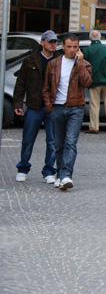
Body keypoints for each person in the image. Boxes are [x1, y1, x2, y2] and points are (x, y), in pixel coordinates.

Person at [42, 34, 92, 190]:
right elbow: (46, 88)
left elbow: (87, 82)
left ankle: (66, 175)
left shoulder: (84, 64)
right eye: (69, 46)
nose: (72, 50)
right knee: (59, 145)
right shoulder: (53, 64)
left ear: (78, 48)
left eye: (75, 47)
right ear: (63, 47)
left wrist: (80, 63)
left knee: (70, 143)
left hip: (76, 108)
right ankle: (60, 175)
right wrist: (49, 105)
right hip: (57, 108)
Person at [13, 30, 60, 183]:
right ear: (42, 43)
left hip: (52, 107)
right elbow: (21, 83)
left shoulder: (60, 60)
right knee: (28, 140)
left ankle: (48, 171)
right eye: (50, 42)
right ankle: (23, 168)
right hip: (34, 105)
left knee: (52, 142)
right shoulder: (30, 60)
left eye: (55, 42)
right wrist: (18, 103)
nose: (53, 44)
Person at [82, 30, 106, 134]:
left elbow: (83, 67)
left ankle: (94, 127)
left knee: (94, 105)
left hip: (93, 82)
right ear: (100, 38)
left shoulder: (87, 50)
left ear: (90, 39)